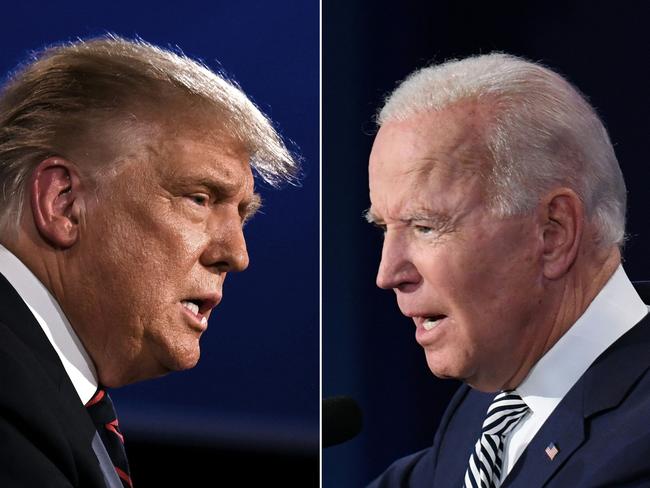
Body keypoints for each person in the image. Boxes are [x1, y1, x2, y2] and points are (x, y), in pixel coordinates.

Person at [0, 35, 297, 487]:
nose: (237, 256)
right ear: (63, 203)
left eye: (242, 215)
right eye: (199, 198)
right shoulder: (11, 391)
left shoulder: (42, 390)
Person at [365, 53, 650, 487]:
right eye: (385, 228)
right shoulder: (486, 408)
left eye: (424, 227)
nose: (388, 273)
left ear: (552, 233)